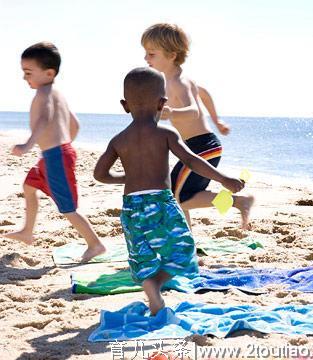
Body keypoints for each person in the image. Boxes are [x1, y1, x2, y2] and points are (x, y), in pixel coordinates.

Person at [93, 67, 244, 315]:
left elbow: (99, 175)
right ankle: (157, 283)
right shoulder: (165, 133)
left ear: (124, 105)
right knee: (183, 250)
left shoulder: (118, 139)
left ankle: (149, 287)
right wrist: (223, 179)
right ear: (162, 104)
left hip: (131, 207)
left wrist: (127, 177)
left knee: (142, 255)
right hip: (161, 203)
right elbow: (192, 161)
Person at [141, 23, 254, 229]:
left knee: (180, 197)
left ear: (172, 55)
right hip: (199, 146)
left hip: (202, 147)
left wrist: (172, 113)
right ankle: (188, 240)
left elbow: (193, 110)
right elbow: (203, 92)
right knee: (177, 193)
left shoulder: (178, 82)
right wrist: (217, 119)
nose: (146, 58)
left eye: (151, 54)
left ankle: (240, 202)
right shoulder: (179, 79)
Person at [4, 42, 105, 262]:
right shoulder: (57, 93)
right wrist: (65, 146)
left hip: (55, 156)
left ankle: (95, 244)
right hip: (55, 154)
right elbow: (75, 124)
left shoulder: (43, 94)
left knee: (67, 207)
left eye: (28, 72)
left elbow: (45, 119)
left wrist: (28, 145)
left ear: (49, 73)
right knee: (29, 186)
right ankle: (27, 231)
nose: (24, 77)